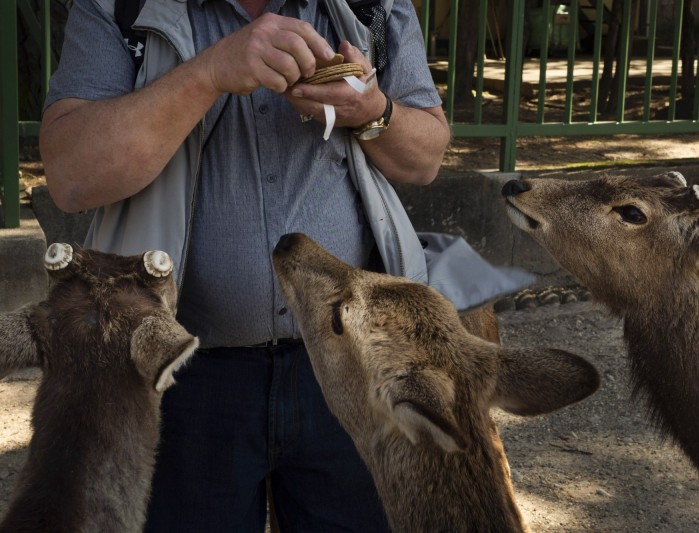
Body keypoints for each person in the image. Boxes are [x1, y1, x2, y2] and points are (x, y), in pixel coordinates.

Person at [39, 0, 450, 530]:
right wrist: (207, 73)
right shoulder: (121, 8)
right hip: (182, 377)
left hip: (351, 366)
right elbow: (72, 176)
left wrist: (373, 111)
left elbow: (427, 157)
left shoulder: (374, 8)